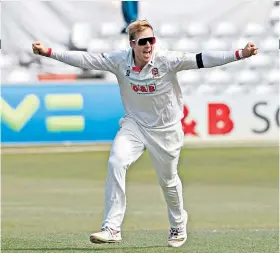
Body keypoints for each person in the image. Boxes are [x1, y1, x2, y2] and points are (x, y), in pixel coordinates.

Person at [32, 19, 258, 248]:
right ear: (132, 44)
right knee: (116, 162)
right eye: (143, 42)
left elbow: (202, 59)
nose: (148, 46)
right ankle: (112, 227)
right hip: (135, 125)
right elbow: (85, 59)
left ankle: (178, 223)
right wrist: (49, 53)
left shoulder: (167, 59)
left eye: (151, 40)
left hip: (166, 130)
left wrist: (239, 54)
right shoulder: (119, 60)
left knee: (168, 182)